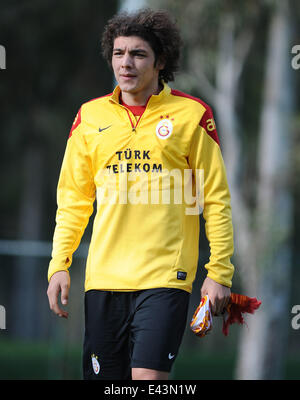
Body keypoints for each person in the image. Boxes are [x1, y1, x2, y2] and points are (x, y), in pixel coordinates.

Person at [47, 8, 235, 380]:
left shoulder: (192, 115)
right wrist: (59, 264)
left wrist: (220, 273)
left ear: (160, 60)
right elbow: (73, 201)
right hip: (103, 280)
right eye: (119, 54)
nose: (126, 63)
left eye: (137, 54)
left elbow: (215, 199)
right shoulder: (89, 117)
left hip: (165, 278)